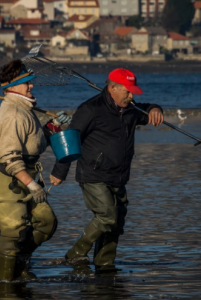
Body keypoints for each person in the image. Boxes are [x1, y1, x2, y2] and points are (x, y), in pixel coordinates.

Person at [49, 68, 164, 273]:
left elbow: (147, 111)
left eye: (132, 92)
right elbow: (70, 139)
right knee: (107, 216)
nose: (131, 96)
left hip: (119, 176)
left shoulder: (130, 108)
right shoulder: (90, 109)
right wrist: (60, 171)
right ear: (112, 88)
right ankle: (75, 254)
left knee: (116, 223)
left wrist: (156, 108)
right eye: (127, 92)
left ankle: (104, 265)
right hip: (93, 174)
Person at [0, 59, 71, 281]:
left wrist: (53, 127)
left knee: (46, 222)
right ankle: (6, 282)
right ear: (11, 88)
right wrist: (31, 185)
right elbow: (11, 159)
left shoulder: (23, 108)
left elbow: (32, 141)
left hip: (26, 172)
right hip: (8, 178)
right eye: (26, 83)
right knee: (14, 231)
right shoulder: (12, 114)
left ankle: (19, 263)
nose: (31, 86)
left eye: (30, 82)